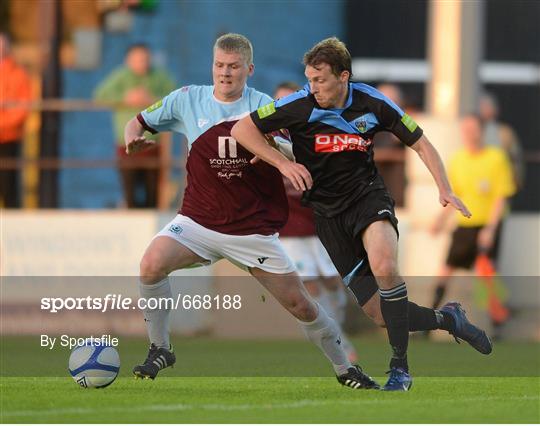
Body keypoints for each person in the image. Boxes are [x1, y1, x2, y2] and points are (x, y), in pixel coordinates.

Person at [231, 37, 492, 391]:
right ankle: (448, 320)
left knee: (386, 267)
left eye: (320, 80)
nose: (313, 87)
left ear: (344, 77)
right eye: (309, 79)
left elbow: (421, 142)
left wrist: (444, 187)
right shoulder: (298, 104)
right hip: (328, 215)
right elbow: (242, 129)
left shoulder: (372, 101)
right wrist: (281, 163)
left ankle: (400, 368)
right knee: (380, 315)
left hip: (368, 199)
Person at [123, 33, 378, 390]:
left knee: (301, 305)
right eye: (219, 65)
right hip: (198, 221)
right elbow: (138, 121)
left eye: (233, 67)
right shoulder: (187, 99)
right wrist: (131, 137)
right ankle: (160, 348)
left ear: (249, 69)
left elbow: (298, 152)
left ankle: (346, 369)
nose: (225, 73)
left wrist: (278, 149)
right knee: (151, 264)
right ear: (212, 65)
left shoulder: (268, 107)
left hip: (251, 231)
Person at [274, 81, 358, 363]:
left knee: (334, 282)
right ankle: (340, 343)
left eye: (289, 101)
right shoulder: (264, 138)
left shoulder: (316, 133)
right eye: (278, 102)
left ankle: (338, 326)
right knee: (308, 286)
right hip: (288, 228)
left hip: (320, 223)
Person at [430, 114, 516, 324]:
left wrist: (491, 229)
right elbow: (454, 194)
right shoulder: (458, 159)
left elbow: (501, 195)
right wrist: (440, 220)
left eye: (473, 128)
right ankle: (430, 319)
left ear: (482, 130)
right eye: (465, 128)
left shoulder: (496, 157)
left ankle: (498, 322)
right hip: (465, 225)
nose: (469, 132)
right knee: (445, 271)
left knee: (486, 273)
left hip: (487, 224)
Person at [95, 43, 175, 208]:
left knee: (153, 192)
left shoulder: (158, 76)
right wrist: (125, 98)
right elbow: (100, 96)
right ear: (128, 61)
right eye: (137, 59)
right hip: (127, 144)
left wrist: (152, 99)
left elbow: (176, 97)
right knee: (130, 190)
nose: (142, 63)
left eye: (145, 59)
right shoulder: (120, 77)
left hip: (154, 144)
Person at [0, 33, 32, 208]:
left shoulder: (18, 74)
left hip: (8, 138)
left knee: (9, 187)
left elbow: (23, 107)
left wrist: (3, 123)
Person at [479, 92, 524, 190]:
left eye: (487, 106)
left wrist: (516, 179)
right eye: (482, 106)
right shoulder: (470, 130)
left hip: (500, 180)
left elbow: (515, 157)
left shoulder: (505, 133)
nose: (484, 110)